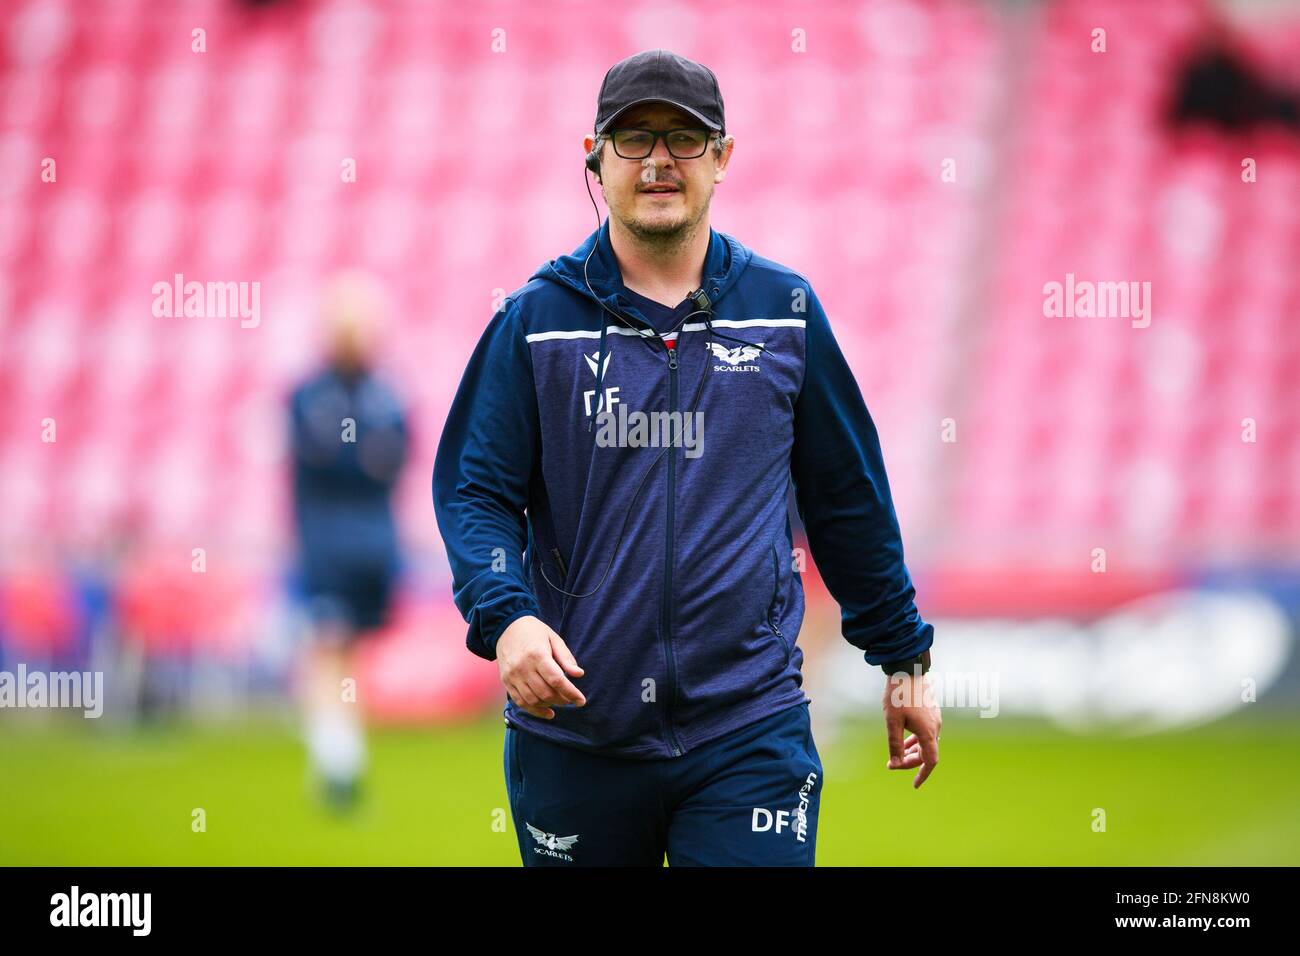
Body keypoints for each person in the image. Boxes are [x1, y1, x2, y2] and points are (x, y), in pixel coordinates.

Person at [433, 49, 938, 866]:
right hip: (575, 733)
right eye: (633, 139)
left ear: (724, 156)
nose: (660, 159)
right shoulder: (533, 322)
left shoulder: (786, 314)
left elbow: (848, 500)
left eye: (684, 137)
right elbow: (475, 492)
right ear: (595, 158)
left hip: (748, 729)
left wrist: (904, 657)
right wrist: (508, 616)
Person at [288, 272, 409, 811]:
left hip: (341, 549)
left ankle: (338, 762)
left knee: (329, 654)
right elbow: (373, 460)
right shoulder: (380, 400)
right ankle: (341, 760)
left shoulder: (317, 399)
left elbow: (367, 462)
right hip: (358, 545)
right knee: (335, 654)